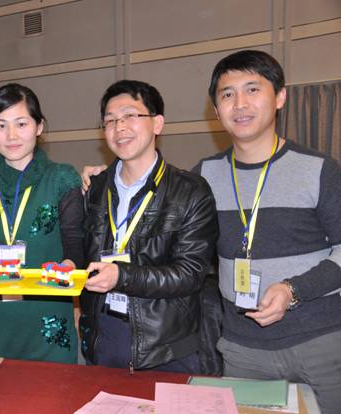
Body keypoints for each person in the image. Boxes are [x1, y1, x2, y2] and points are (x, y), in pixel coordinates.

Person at [193, 50, 341, 413]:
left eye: (252, 89)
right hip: (243, 348)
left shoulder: (319, 169)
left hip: (321, 342)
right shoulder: (203, 176)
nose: (240, 104)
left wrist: (293, 290)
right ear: (216, 110)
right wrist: (108, 177)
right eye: (227, 94)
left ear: (280, 97)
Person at [80, 80, 218, 373]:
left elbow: (191, 274)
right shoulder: (96, 188)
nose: (119, 127)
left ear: (157, 124)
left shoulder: (190, 190)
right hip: (104, 335)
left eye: (130, 116)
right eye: (110, 120)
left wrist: (122, 276)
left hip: (164, 345)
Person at [0, 83, 84, 363]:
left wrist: (66, 267)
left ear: (39, 126)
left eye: (21, 124)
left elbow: (75, 241)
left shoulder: (62, 178)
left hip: (49, 317)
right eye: (0, 125)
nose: (11, 135)